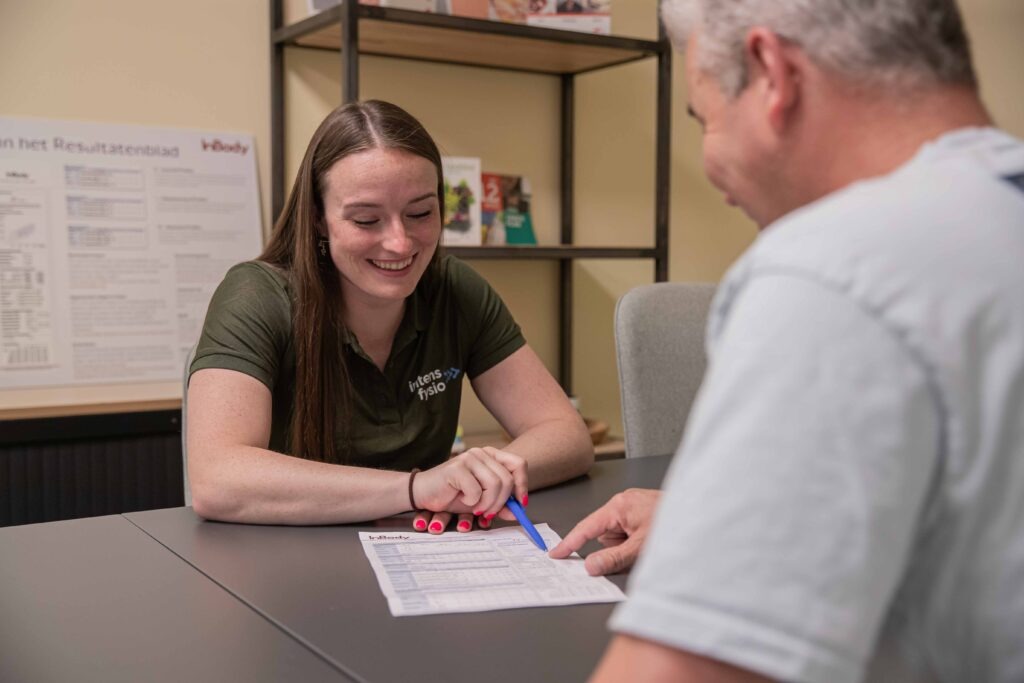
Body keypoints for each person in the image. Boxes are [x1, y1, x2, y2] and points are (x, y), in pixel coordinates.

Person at [550, 1, 1024, 681]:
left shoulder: (837, 268)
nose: (710, 163)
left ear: (772, 73)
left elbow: (683, 670)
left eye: (705, 119)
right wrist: (728, 513)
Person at [187, 100, 592, 533]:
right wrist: (417, 489)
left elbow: (565, 433)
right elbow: (217, 479)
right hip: (286, 557)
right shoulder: (255, 296)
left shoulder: (454, 289)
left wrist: (480, 478)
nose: (400, 243)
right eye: (366, 220)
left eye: (420, 213)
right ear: (318, 219)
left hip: (425, 548)